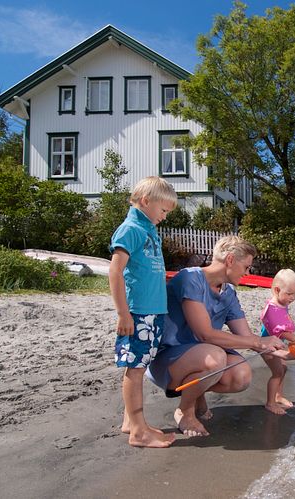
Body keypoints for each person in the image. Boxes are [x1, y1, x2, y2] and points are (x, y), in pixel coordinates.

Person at [147, 235, 286, 437]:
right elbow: (205, 334)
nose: (248, 273)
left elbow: (247, 336)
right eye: (246, 267)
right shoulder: (190, 278)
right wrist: (258, 341)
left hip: (201, 357)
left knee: (242, 375)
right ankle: (185, 411)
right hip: (167, 361)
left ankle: (196, 392)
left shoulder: (228, 293)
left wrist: (282, 352)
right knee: (215, 358)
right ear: (230, 260)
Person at [109, 176, 177, 448]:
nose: (164, 217)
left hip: (153, 313)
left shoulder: (148, 230)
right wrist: (123, 313)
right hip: (138, 314)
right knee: (135, 370)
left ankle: (131, 421)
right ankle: (138, 431)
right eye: (163, 210)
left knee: (140, 365)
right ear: (146, 202)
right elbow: (115, 271)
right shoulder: (131, 229)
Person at [259, 268, 295, 415]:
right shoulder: (271, 309)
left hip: (277, 344)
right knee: (277, 372)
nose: (293, 298)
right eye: (289, 294)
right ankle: (270, 403)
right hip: (267, 345)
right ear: (277, 290)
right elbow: (281, 331)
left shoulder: (282, 303)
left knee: (283, 368)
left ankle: (278, 396)